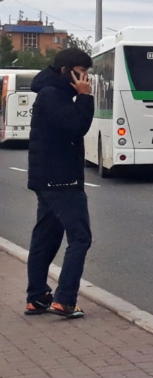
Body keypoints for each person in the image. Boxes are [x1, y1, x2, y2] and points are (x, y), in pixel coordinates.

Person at [25, 47, 95, 319]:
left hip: (49, 178)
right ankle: (64, 300)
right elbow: (76, 126)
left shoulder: (54, 92)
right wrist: (85, 98)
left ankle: (37, 297)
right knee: (80, 238)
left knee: (46, 237)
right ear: (67, 72)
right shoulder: (53, 95)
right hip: (61, 179)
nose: (85, 79)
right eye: (82, 73)